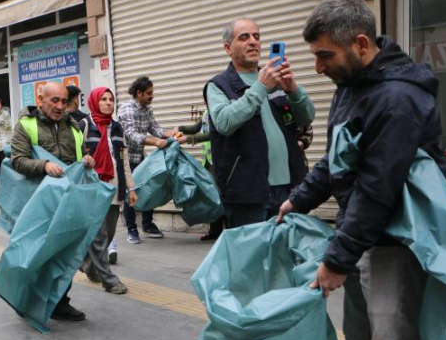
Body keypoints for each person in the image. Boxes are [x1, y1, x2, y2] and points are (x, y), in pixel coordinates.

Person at [277, 0, 446, 340]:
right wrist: (298, 201)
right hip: (362, 236)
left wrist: (337, 259)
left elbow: (378, 187)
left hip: (395, 241)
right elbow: (337, 159)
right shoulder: (353, 84)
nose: (318, 66)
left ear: (361, 43)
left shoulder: (397, 98)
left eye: (325, 55)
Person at [205, 18, 315, 230]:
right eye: (244, 37)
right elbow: (224, 122)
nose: (253, 42)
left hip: (288, 187)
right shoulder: (219, 85)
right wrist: (260, 87)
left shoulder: (276, 79)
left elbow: (306, 117)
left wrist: (293, 89)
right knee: (251, 256)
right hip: (247, 191)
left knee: (283, 256)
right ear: (228, 48)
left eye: (256, 36)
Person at [10, 81, 96, 321]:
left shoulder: (75, 128)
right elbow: (18, 160)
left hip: (66, 202)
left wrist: (88, 160)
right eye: (54, 101)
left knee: (64, 255)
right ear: (41, 100)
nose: (60, 106)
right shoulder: (26, 125)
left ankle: (59, 302)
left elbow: (79, 158)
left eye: (63, 101)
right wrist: (44, 165)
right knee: (35, 255)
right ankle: (25, 299)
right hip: (37, 204)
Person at [78, 87, 136, 294]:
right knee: (100, 234)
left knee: (109, 233)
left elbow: (124, 159)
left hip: (115, 186)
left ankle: (87, 265)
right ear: (94, 102)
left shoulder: (118, 128)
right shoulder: (84, 126)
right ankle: (109, 280)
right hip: (93, 187)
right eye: (103, 99)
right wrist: (83, 158)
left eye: (111, 99)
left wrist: (131, 187)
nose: (108, 103)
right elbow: (74, 154)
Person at [118, 76, 180, 244]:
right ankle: (132, 229)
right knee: (129, 193)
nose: (152, 96)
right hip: (126, 158)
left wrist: (171, 134)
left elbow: (154, 128)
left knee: (149, 187)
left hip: (140, 157)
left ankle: (147, 223)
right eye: (149, 93)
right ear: (139, 93)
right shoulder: (127, 109)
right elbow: (131, 135)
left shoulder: (147, 109)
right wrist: (155, 142)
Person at [180, 110, 225, 241]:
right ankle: (215, 231)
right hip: (207, 160)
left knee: (220, 196)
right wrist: (180, 129)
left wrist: (189, 139)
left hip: (218, 160)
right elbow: (196, 128)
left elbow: (214, 134)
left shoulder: (219, 111)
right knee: (211, 196)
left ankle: (226, 230)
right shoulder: (206, 112)